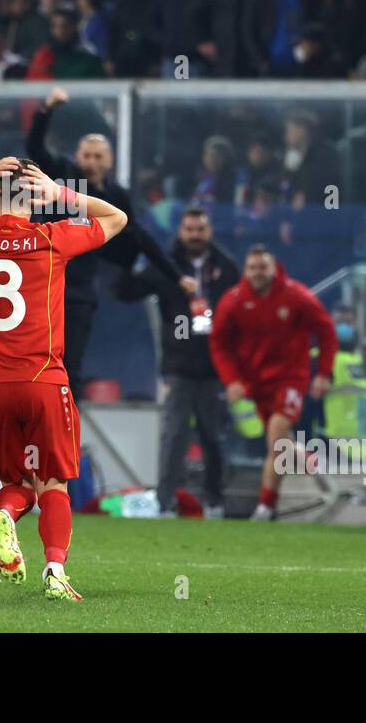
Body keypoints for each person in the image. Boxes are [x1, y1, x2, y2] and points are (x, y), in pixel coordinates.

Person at [0, 157, 127, 601]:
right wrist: (62, 195)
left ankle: (5, 514)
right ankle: (55, 571)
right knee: (52, 484)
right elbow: (117, 217)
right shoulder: (52, 238)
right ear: (35, 201)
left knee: (16, 484)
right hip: (41, 379)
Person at [24, 87, 186, 401]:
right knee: (36, 360)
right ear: (77, 156)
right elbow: (36, 148)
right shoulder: (64, 177)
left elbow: (140, 237)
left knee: (70, 366)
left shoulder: (114, 195)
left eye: (98, 156)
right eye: (86, 154)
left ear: (109, 161)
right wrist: (45, 110)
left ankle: (67, 435)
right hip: (43, 283)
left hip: (80, 290)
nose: (91, 161)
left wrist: (176, 276)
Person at [116, 206, 239, 517]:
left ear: (209, 231)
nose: (195, 235)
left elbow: (238, 313)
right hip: (178, 367)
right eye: (190, 230)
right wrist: (127, 257)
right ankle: (165, 503)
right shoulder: (165, 265)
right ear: (181, 231)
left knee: (213, 438)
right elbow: (126, 291)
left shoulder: (226, 266)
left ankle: (214, 502)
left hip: (214, 367)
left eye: (200, 229)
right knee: (174, 437)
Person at [210, 246, 337, 521]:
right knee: (279, 441)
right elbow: (219, 343)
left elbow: (326, 331)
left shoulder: (296, 296)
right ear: (246, 271)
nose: (257, 273)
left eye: (262, 267)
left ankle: (265, 506)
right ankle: (308, 458)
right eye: (252, 267)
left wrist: (324, 373)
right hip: (256, 383)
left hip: (291, 378)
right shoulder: (233, 301)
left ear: (273, 268)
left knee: (277, 434)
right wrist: (231, 380)